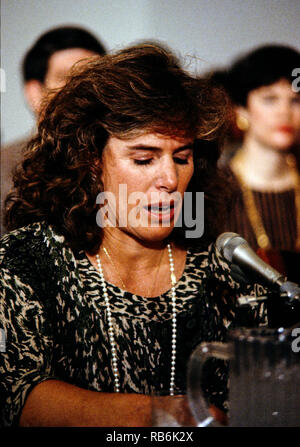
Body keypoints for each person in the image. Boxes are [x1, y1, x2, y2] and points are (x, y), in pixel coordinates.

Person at [0, 44, 266, 427]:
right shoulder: (27, 263)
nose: (169, 180)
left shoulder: (225, 276)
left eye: (181, 157)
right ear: (91, 162)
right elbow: (16, 394)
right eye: (144, 159)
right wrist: (154, 415)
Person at [0, 25, 106, 236]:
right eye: (67, 78)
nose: (83, 89)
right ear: (34, 93)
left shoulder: (123, 160)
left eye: (93, 78)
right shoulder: (4, 167)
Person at [213, 45, 300, 280]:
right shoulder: (213, 188)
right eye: (270, 99)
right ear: (242, 109)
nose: (284, 111)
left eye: (295, 100)